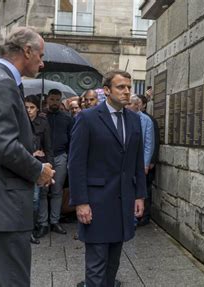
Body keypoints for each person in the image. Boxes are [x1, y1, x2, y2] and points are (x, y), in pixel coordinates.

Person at [0, 26, 55, 286]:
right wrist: (38, 171)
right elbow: (4, 146)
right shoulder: (2, 83)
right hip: (2, 211)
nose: (42, 63)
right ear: (27, 50)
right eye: (40, 56)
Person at [69, 70, 146, 286]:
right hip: (96, 203)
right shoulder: (88, 118)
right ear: (106, 90)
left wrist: (139, 195)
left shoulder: (133, 119)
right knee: (96, 266)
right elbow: (76, 164)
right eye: (121, 87)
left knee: (113, 264)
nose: (127, 91)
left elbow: (136, 161)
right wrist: (81, 202)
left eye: (129, 87)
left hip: (123, 203)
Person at [35, 88, 73, 238]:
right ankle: (43, 223)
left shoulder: (67, 118)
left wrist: (69, 157)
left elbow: (71, 139)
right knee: (43, 191)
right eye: (52, 99)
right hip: (44, 158)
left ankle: (55, 221)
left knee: (57, 191)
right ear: (47, 100)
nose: (55, 102)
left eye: (57, 100)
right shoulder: (41, 117)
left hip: (61, 156)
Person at [25, 95, 54, 245]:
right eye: (27, 107)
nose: (29, 110)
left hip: (39, 165)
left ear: (37, 108)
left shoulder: (43, 123)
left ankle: (31, 228)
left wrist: (50, 166)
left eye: (32, 107)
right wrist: (32, 152)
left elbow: (48, 146)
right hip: (22, 164)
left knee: (36, 198)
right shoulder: (19, 122)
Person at [138, 94, 160, 226]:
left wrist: (151, 161)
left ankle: (145, 217)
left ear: (144, 104)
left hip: (147, 164)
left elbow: (154, 142)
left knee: (145, 190)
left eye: (138, 103)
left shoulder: (149, 120)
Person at [127, 95, 154, 176]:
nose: (126, 106)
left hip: (138, 161)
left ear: (137, 105)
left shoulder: (146, 120)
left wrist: (145, 165)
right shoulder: (123, 117)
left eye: (129, 104)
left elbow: (148, 144)